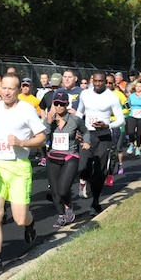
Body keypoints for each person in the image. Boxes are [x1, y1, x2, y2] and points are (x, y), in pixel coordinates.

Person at [0, 74, 46, 278]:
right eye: (3, 88)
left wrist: (22, 143)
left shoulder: (27, 110)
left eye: (11, 89)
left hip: (18, 167)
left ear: (18, 91)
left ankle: (30, 222)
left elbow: (42, 137)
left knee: (19, 218)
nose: (6, 92)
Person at [75, 72, 124, 215]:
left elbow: (121, 120)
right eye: (95, 81)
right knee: (83, 166)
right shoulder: (85, 94)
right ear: (92, 80)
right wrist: (76, 127)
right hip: (87, 134)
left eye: (101, 81)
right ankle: (85, 181)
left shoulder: (111, 97)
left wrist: (107, 125)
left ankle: (95, 203)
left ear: (105, 82)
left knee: (100, 171)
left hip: (103, 135)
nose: (97, 84)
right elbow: (79, 112)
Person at [43, 88, 86, 228]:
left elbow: (86, 132)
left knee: (63, 189)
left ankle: (68, 205)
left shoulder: (75, 120)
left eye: (62, 104)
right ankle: (62, 215)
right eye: (56, 104)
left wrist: (86, 142)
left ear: (67, 104)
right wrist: (49, 122)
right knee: (55, 191)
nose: (59, 107)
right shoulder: (49, 120)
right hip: (53, 156)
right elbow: (43, 138)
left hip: (70, 156)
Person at [125, 80, 141, 157]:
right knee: (131, 131)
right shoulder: (131, 96)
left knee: (139, 133)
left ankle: (138, 147)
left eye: (140, 86)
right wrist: (129, 109)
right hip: (132, 115)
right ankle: (131, 144)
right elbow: (126, 103)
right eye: (137, 86)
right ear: (135, 87)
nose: (138, 88)